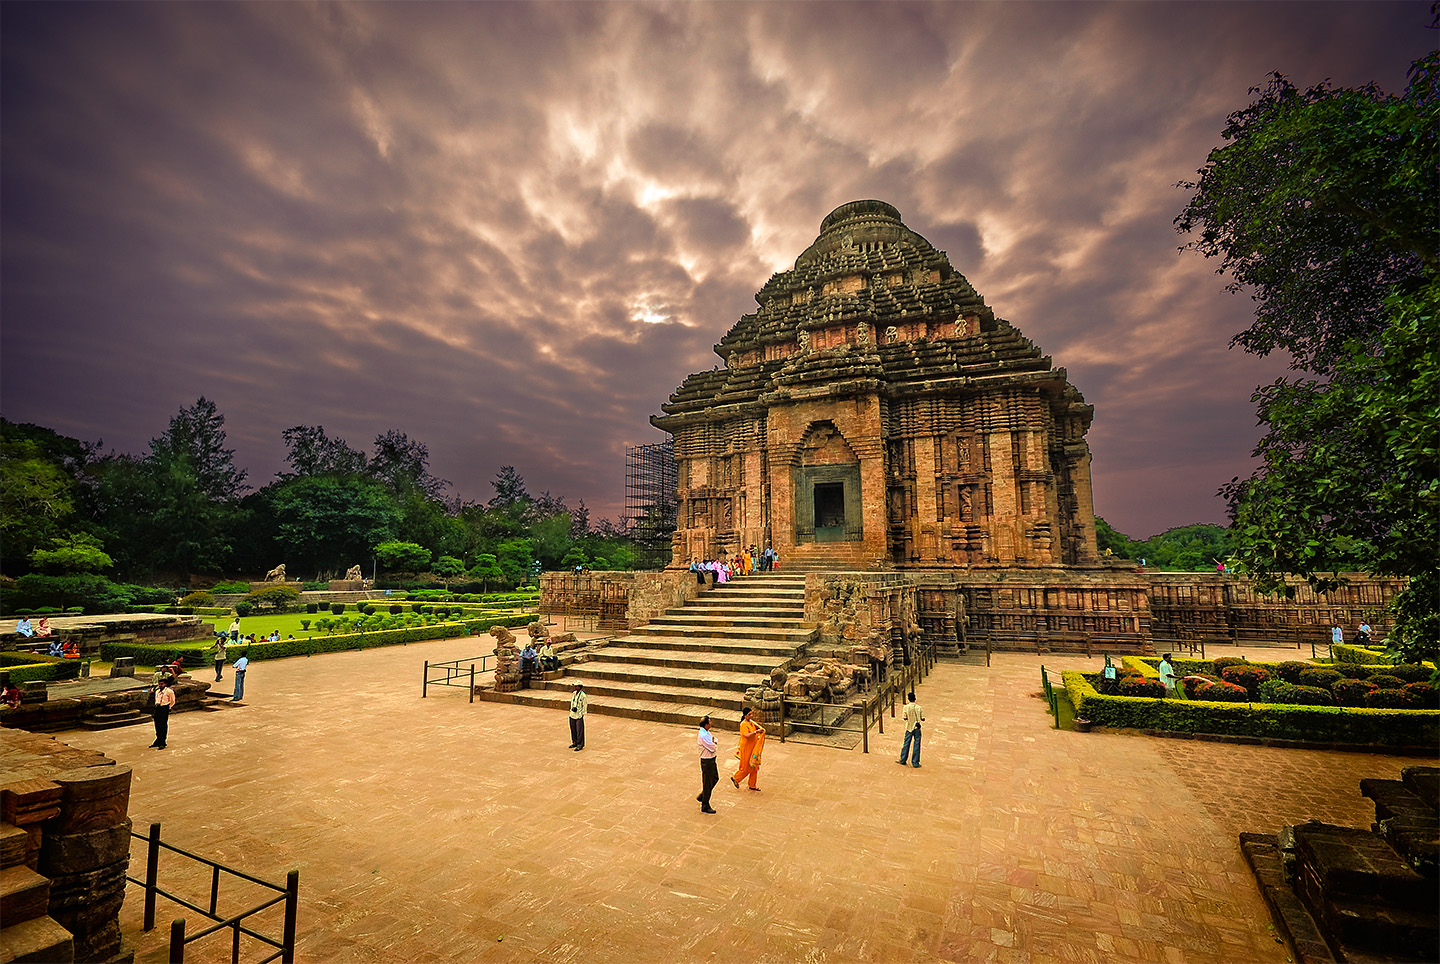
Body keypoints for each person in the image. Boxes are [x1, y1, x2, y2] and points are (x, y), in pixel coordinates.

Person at [730, 706, 767, 791]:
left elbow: (755, 730)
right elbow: (746, 735)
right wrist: (756, 732)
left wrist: (759, 730)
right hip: (746, 748)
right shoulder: (743, 724)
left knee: (754, 766)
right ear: (745, 715)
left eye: (751, 714)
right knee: (747, 766)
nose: (751, 716)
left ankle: (752, 785)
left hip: (753, 747)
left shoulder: (752, 723)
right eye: (749, 714)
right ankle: (736, 778)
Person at [697, 715, 719, 813]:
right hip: (707, 760)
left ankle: (703, 795)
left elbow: (714, 740)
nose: (711, 723)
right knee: (707, 782)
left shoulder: (706, 732)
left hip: (711, 759)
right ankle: (705, 804)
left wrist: (714, 742)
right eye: (709, 722)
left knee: (715, 778)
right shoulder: (703, 735)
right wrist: (714, 743)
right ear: (706, 725)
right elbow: (712, 747)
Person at [897, 691, 924, 768]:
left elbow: (905, 718)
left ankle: (903, 759)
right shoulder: (919, 708)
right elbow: (923, 718)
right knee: (917, 744)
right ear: (915, 699)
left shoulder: (906, 707)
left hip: (909, 727)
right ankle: (915, 762)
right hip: (916, 727)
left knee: (906, 743)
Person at [150, 677, 175, 749]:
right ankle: (158, 740)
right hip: (158, 708)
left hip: (164, 707)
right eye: (159, 684)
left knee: (163, 725)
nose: (160, 685)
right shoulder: (157, 691)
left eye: (162, 684)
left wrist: (168, 707)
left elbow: (172, 701)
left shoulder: (169, 691)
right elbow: (156, 699)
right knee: (157, 724)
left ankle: (163, 742)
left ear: (165, 684)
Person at [568, 682, 587, 750]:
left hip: (579, 714)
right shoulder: (574, 693)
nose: (575, 687)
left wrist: (582, 714)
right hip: (572, 714)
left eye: (577, 686)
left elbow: (584, 705)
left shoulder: (583, 695)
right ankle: (574, 742)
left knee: (579, 730)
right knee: (573, 728)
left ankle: (580, 744)